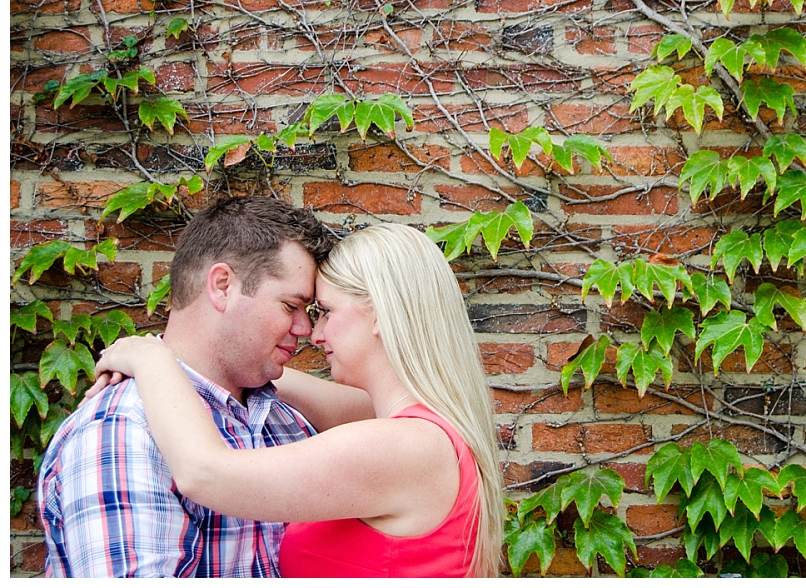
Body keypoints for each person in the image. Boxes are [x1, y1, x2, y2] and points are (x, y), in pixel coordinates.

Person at [91, 222, 504, 578]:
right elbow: (325, 399)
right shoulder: (424, 429)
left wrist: (154, 359)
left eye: (325, 311)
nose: (313, 333)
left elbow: (204, 474)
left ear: (380, 313)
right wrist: (237, 362)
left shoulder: (403, 446)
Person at [36, 195, 369, 577]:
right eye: (290, 306)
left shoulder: (285, 419)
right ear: (222, 286)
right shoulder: (124, 429)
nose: (306, 329)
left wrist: (155, 359)